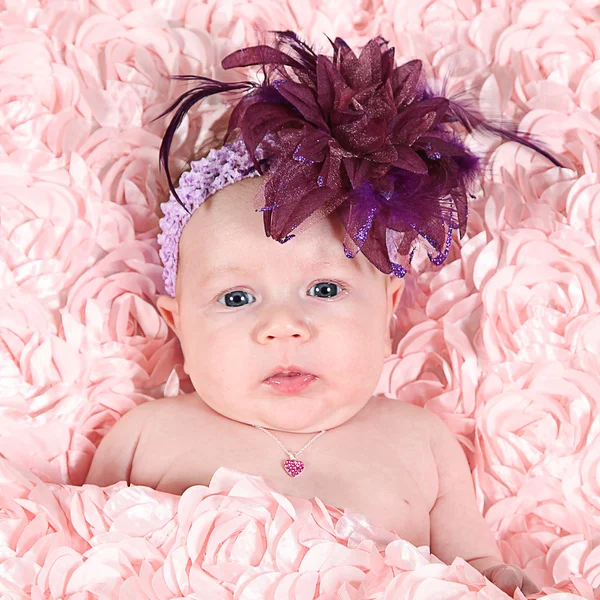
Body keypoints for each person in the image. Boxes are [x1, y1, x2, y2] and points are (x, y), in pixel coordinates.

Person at [85, 30, 565, 597]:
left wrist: (507, 581)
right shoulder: (147, 437)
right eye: (237, 298)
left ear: (387, 309)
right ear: (178, 325)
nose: (284, 325)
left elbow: (478, 567)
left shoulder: (418, 440)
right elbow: (81, 554)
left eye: (324, 289)